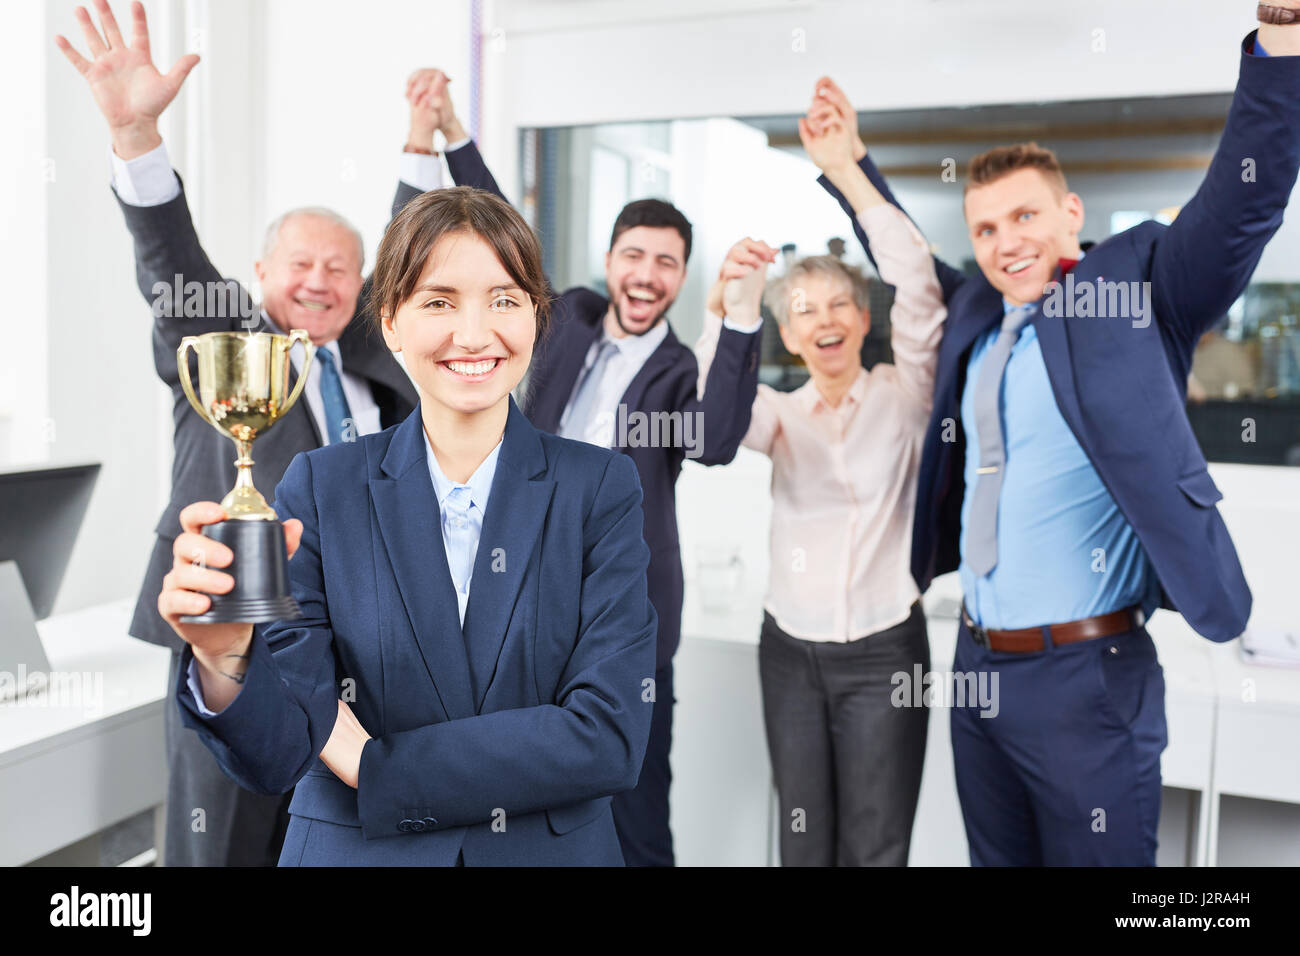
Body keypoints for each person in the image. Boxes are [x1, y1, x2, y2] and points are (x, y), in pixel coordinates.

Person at [811, 5, 1300, 865]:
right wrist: (850, 167)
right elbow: (909, 257)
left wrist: (1281, 49)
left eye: (1026, 217)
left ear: (1070, 213)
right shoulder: (975, 318)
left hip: (1088, 680)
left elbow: (1239, 205)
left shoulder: (1135, 287)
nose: (1007, 243)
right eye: (988, 228)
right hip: (976, 668)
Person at [157, 185, 662, 866]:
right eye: (439, 301)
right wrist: (225, 662)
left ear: (538, 318)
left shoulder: (598, 488)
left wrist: (374, 766)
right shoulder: (321, 484)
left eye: (505, 299)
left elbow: (607, 734)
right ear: (389, 322)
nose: (475, 333)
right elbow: (280, 753)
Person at [54, 0, 449, 865]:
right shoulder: (227, 342)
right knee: (220, 845)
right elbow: (172, 262)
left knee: (325, 841)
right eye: (298, 264)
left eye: (338, 269)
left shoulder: (376, 366)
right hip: (230, 634)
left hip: (354, 649)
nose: (318, 281)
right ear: (262, 273)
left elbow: (409, 255)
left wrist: (421, 141)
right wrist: (135, 140)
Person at [419, 74, 764, 866]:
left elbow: (712, 441)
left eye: (667, 264)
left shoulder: (682, 372)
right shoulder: (564, 315)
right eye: (634, 255)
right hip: (514, 601)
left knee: (636, 812)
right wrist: (452, 133)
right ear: (610, 260)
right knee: (515, 803)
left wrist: (740, 312)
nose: (646, 275)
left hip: (622, 623)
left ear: (683, 276)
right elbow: (502, 227)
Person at [693, 109, 945, 866]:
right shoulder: (776, 415)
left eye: (840, 304)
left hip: (884, 650)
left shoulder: (907, 395)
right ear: (791, 336)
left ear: (864, 319)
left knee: (875, 846)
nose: (824, 320)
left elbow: (921, 286)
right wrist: (729, 310)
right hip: (789, 652)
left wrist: (847, 172)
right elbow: (714, 428)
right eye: (804, 312)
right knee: (802, 845)